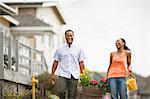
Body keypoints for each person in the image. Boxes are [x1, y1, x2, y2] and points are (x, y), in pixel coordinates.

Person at [50, 29, 86, 99]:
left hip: (74, 75)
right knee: (61, 91)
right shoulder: (60, 48)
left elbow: (81, 63)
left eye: (71, 36)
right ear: (65, 37)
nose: (69, 37)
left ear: (73, 36)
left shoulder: (79, 49)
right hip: (62, 74)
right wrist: (52, 74)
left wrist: (83, 75)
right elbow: (56, 62)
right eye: (68, 36)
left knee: (72, 95)